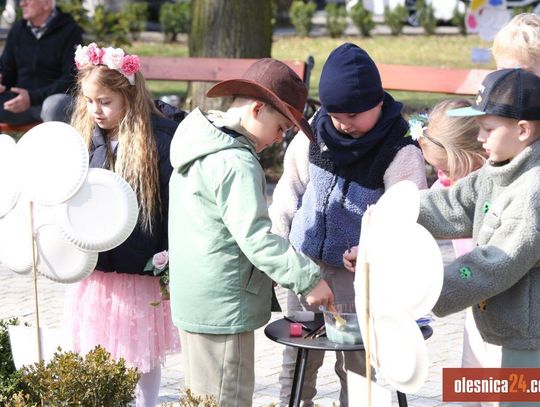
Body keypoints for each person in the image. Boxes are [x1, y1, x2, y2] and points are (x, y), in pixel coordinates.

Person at [167, 58, 335, 407]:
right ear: (257, 109)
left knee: (202, 399)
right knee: (227, 399)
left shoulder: (198, 143)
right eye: (281, 127)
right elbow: (257, 239)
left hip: (196, 301)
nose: (279, 139)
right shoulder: (236, 162)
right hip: (224, 308)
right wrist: (308, 279)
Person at [270, 42, 427, 407]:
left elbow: (408, 216)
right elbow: (289, 190)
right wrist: (280, 247)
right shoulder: (314, 133)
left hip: (359, 276)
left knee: (357, 362)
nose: (344, 124)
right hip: (305, 268)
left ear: (378, 103)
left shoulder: (398, 149)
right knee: (298, 356)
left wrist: (372, 251)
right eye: (336, 115)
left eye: (354, 115)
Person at [63, 43, 180, 407]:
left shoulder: (157, 141)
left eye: (105, 102)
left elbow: (169, 205)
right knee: (96, 344)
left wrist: (167, 253)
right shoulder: (84, 138)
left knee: (141, 350)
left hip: (137, 265)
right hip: (97, 268)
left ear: (128, 96)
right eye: (88, 101)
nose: (95, 110)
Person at [418, 69, 540, 407]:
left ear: (523, 130)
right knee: (472, 390)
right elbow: (455, 203)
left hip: (529, 340)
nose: (480, 138)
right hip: (499, 324)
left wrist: (424, 290)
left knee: (516, 400)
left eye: (487, 129)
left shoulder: (532, 190)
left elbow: (494, 263)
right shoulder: (499, 166)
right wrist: (395, 212)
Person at [414, 99, 501, 407]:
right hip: (476, 309)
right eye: (437, 170)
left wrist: (436, 292)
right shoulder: (447, 188)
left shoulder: (502, 193)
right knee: (470, 388)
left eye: (447, 169)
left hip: (512, 317)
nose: (442, 177)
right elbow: (418, 221)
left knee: (505, 391)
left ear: (476, 156)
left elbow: (492, 265)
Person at [0, 0, 82, 125]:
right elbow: (7, 69)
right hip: (19, 104)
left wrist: (32, 98)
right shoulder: (18, 30)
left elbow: (71, 78)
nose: (21, 4)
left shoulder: (70, 30)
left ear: (46, 3)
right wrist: (2, 79)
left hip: (54, 102)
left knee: (53, 106)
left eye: (27, 0)